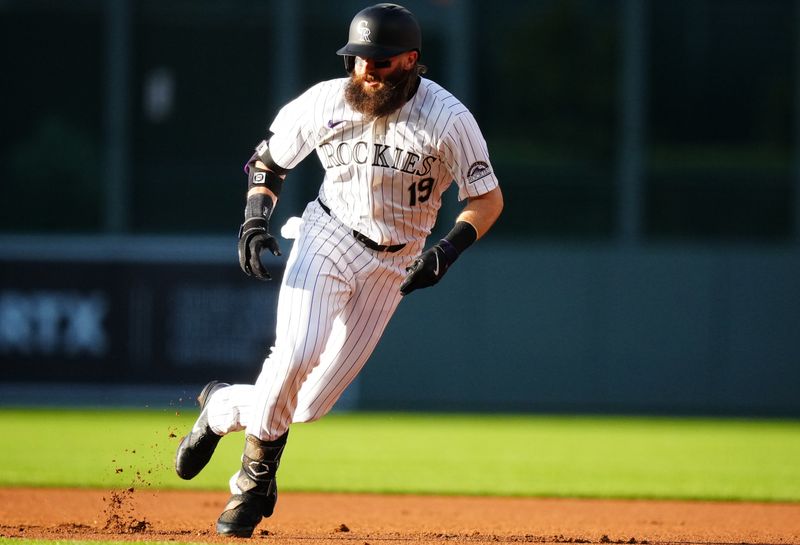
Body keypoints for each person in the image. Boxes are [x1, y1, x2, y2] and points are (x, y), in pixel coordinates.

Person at [174, 2, 503, 538]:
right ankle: (253, 485)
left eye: (378, 61)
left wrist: (447, 250)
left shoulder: (448, 119)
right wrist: (255, 220)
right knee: (295, 354)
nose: (365, 71)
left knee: (306, 404)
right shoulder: (327, 99)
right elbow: (269, 162)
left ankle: (220, 407)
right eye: (357, 59)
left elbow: (486, 200)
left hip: (396, 260)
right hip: (327, 236)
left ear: (411, 60)